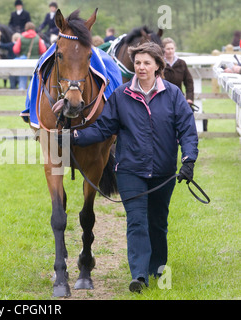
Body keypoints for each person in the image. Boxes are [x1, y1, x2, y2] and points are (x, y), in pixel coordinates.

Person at [59, 42, 199, 293]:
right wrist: (73, 138)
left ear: (158, 66)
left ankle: (157, 266)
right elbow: (104, 129)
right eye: (137, 63)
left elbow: (187, 129)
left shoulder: (173, 95)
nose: (141, 67)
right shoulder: (121, 96)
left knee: (157, 221)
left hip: (163, 171)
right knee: (136, 221)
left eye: (147, 63)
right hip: (130, 171)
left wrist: (188, 159)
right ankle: (139, 275)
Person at [13, 22, 47, 90]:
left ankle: (21, 90)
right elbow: (43, 50)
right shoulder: (37, 38)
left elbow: (16, 50)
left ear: (26, 28)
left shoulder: (21, 37)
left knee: (22, 78)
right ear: (34, 28)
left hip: (24, 61)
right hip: (35, 62)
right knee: (34, 80)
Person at [162, 38, 194, 105]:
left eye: (172, 48)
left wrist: (189, 99)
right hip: (163, 99)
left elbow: (189, 82)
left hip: (179, 98)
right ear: (163, 49)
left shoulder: (181, 63)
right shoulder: (159, 64)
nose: (170, 51)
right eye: (168, 49)